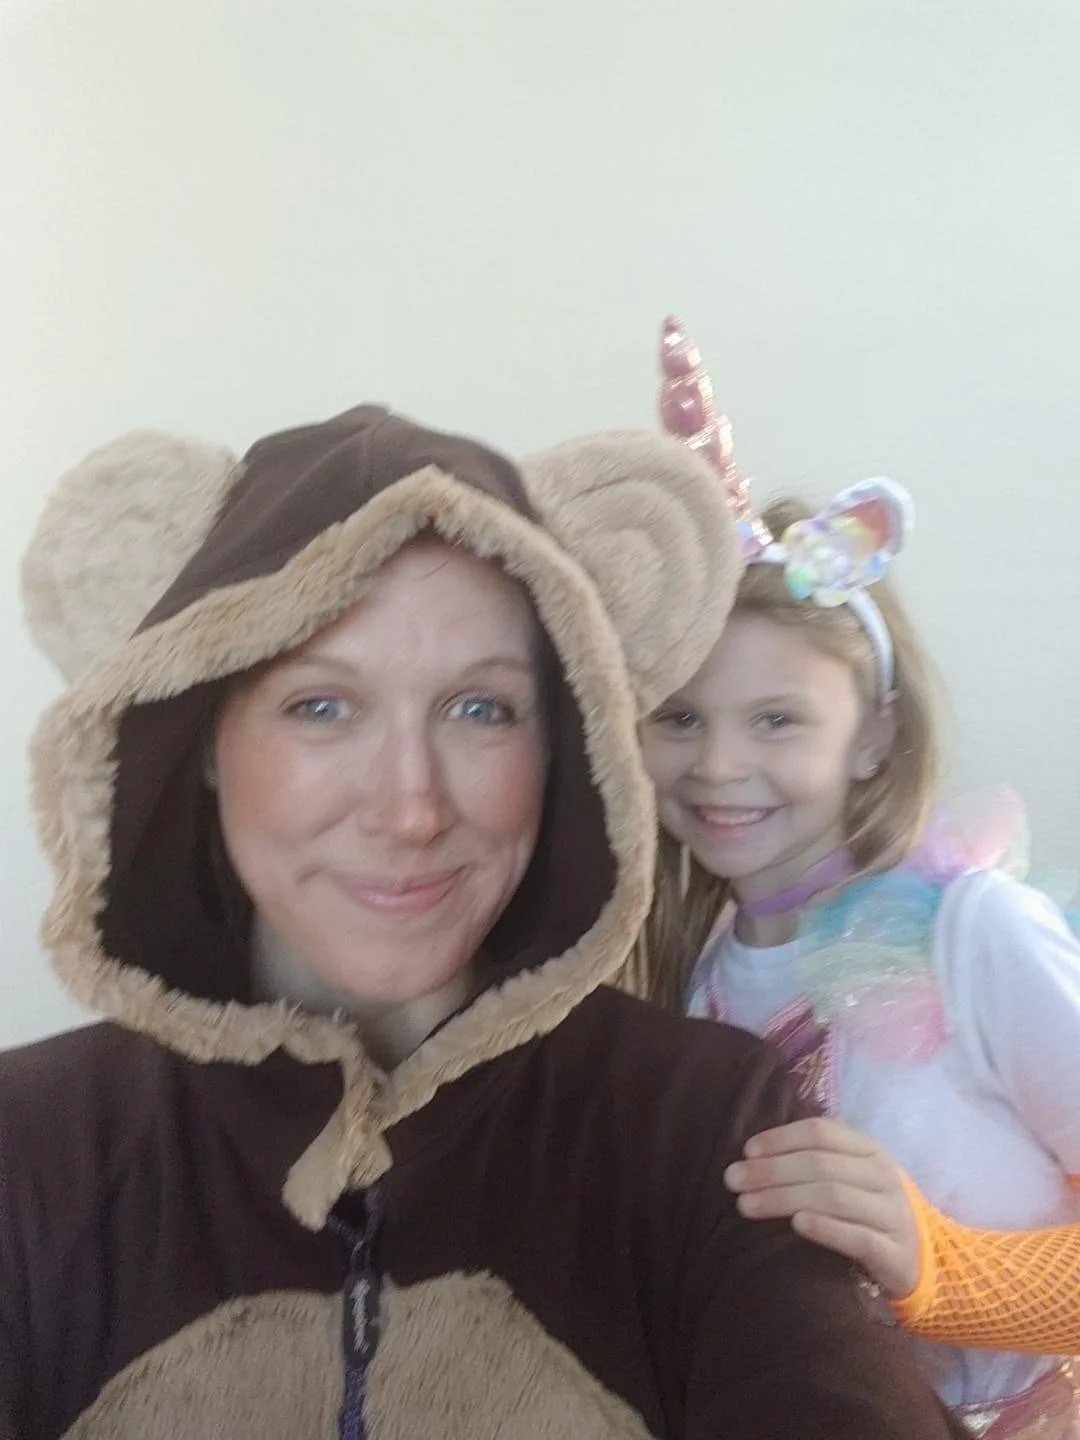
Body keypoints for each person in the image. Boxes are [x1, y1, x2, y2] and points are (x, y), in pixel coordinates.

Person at [1, 403, 968, 1440]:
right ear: (202, 740)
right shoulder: (29, 1149)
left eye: (480, 709)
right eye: (320, 706)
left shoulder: (705, 1126)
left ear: (565, 746)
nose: (410, 809)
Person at [641, 316, 1080, 1438]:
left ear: (875, 736)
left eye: (777, 720)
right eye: (680, 717)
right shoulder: (685, 976)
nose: (720, 764)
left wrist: (948, 1266)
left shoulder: (973, 936)